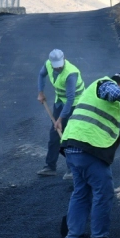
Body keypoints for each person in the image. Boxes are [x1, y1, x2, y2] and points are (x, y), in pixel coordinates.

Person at [60, 72, 120, 238]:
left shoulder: (98, 92)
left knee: (81, 193)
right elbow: (116, 93)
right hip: (88, 148)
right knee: (103, 192)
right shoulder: (106, 84)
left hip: (73, 148)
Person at [36, 49, 84, 180]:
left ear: (64, 60)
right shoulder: (48, 64)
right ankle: (50, 167)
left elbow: (70, 99)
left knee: (69, 135)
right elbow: (41, 75)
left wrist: (60, 119)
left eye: (60, 66)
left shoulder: (71, 73)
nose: (58, 69)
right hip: (60, 102)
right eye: (55, 66)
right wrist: (40, 92)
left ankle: (72, 169)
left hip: (75, 104)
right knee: (54, 135)